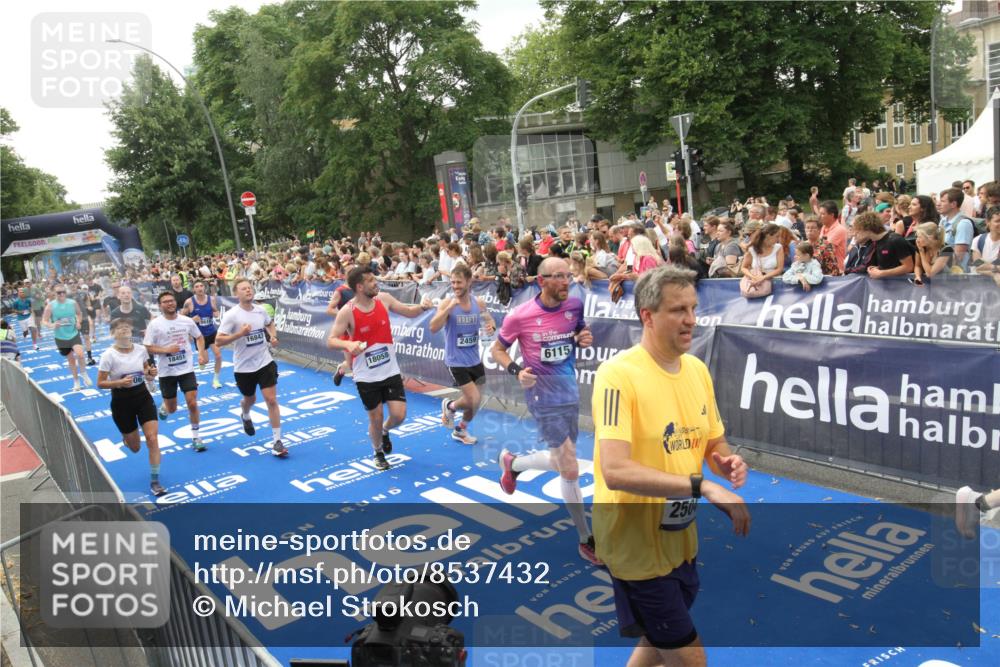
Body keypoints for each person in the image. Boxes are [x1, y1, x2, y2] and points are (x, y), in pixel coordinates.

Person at [591, 264, 750, 665]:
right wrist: (703, 486)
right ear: (648, 316)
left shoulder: (696, 369)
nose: (691, 320)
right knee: (689, 659)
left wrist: (726, 463)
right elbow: (615, 470)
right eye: (678, 310)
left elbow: (713, 440)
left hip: (680, 543)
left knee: (654, 645)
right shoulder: (618, 375)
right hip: (634, 549)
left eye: (693, 308)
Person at [490, 257, 602, 565]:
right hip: (541, 396)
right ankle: (585, 538)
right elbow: (496, 349)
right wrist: (516, 370)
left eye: (568, 276)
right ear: (542, 282)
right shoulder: (520, 315)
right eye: (559, 277)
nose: (567, 282)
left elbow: (577, 334)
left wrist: (582, 338)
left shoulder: (575, 305)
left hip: (568, 390)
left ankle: (513, 464)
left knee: (558, 459)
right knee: (569, 467)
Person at [326, 266, 435, 471]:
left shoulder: (383, 299)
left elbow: (408, 311)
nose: (376, 283)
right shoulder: (347, 311)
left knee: (399, 416)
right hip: (366, 376)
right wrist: (349, 344)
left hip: (390, 371)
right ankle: (377, 451)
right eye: (370, 281)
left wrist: (422, 307)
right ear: (359, 287)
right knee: (375, 417)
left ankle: (385, 431)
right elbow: (331, 340)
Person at [215, 279, 287, 457]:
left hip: (264, 361)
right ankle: (245, 414)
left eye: (250, 287)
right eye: (243, 289)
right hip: (243, 366)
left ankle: (277, 441)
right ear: (236, 294)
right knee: (250, 399)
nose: (248, 290)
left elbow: (269, 323)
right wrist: (240, 334)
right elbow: (218, 341)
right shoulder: (232, 315)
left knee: (271, 400)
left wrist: (273, 336)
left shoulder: (261, 310)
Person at [429, 264, 497, 445]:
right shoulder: (447, 303)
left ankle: (460, 429)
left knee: (477, 401)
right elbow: (433, 327)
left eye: (459, 282)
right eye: (452, 282)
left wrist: (492, 326)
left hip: (475, 359)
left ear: (468, 282)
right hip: (456, 361)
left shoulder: (479, 302)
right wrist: (448, 308)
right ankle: (450, 406)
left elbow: (488, 318)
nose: (455, 286)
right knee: (473, 399)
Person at [97, 318, 165, 496]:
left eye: (127, 327)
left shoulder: (141, 350)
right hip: (121, 402)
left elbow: (146, 373)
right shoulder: (108, 355)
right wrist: (119, 382)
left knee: (152, 438)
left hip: (142, 397)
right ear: (113, 334)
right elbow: (100, 383)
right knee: (135, 448)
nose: (124, 330)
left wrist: (151, 374)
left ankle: (155, 481)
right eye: (120, 328)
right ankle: (126, 439)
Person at [145, 292, 208, 452]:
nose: (170, 304)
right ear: (160, 306)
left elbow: (199, 337)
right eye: (165, 302)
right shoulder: (155, 324)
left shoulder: (186, 321)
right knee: (172, 408)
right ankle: (165, 407)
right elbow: (148, 346)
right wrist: (166, 349)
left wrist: (201, 352)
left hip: (186, 369)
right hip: (167, 372)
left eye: (171, 301)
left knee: (192, 402)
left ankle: (196, 437)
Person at [41, 284, 92, 391]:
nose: (62, 294)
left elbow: (79, 313)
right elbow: (44, 321)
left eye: (64, 292)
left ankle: (84, 373)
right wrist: (52, 325)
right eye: (59, 292)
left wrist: (78, 322)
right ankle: (76, 381)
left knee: (80, 354)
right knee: (71, 360)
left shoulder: (72, 303)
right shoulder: (50, 306)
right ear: (54, 294)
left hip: (73, 333)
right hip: (61, 337)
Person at [182, 280, 224, 389]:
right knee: (205, 360)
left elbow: (216, 311)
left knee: (218, 356)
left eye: (201, 285)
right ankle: (202, 362)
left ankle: (216, 380)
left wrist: (216, 314)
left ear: (204, 288)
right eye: (197, 286)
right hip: (199, 336)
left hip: (211, 332)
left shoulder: (211, 299)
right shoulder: (189, 302)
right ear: (194, 289)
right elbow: (180, 318)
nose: (200, 288)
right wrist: (192, 319)